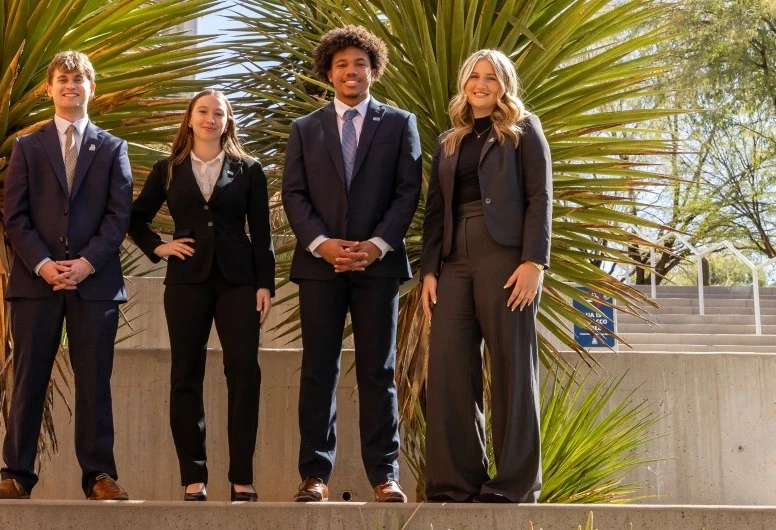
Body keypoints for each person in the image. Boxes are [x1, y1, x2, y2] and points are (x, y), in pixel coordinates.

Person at [281, 26, 422, 503]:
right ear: (329, 71)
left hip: (377, 267)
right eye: (341, 64)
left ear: (373, 70)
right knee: (318, 369)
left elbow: (408, 192)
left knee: (377, 372)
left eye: (359, 63)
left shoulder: (400, 124)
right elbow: (294, 194)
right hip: (320, 267)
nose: (350, 71)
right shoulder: (305, 129)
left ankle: (385, 476)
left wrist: (378, 244)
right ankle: (314, 475)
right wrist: (321, 244)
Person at [0, 50, 133, 501]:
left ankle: (99, 477)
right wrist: (44, 264)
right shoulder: (28, 147)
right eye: (62, 79)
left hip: (95, 285)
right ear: (49, 88)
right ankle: (15, 475)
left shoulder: (112, 148)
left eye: (79, 79)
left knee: (95, 382)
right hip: (36, 283)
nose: (71, 86)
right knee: (29, 378)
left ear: (93, 88)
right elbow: (15, 216)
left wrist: (86, 263)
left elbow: (118, 213)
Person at [128, 89, 274, 502]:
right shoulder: (168, 169)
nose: (210, 119)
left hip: (239, 282)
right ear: (189, 119)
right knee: (185, 375)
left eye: (219, 113)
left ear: (228, 122)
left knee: (244, 372)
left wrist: (265, 285)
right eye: (203, 111)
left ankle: (242, 478)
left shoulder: (249, 170)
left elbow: (261, 234)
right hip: (187, 281)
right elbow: (135, 218)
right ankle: (194, 477)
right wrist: (159, 247)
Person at [420, 48, 552, 503]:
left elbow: (540, 197)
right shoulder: (448, 140)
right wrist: (429, 272)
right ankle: (454, 483)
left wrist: (534, 262)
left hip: (506, 257)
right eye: (474, 76)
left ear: (504, 84)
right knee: (449, 371)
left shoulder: (522, 130)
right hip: (454, 260)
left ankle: (515, 485)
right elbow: (435, 210)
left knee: (513, 370)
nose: (481, 84)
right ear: (463, 83)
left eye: (490, 77)